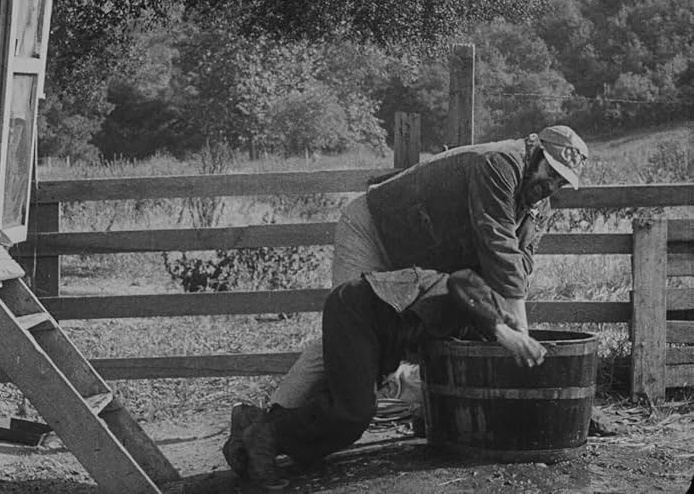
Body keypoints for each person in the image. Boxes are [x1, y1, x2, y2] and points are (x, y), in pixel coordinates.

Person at [223, 125, 589, 481]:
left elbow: (519, 266)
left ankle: (425, 412)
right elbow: (499, 249)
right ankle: (265, 426)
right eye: (551, 172)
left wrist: (505, 323)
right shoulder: (500, 164)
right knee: (345, 344)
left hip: (420, 259)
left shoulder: (537, 205)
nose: (551, 186)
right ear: (537, 152)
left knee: (426, 330)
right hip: (375, 228)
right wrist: (516, 331)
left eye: (561, 182)